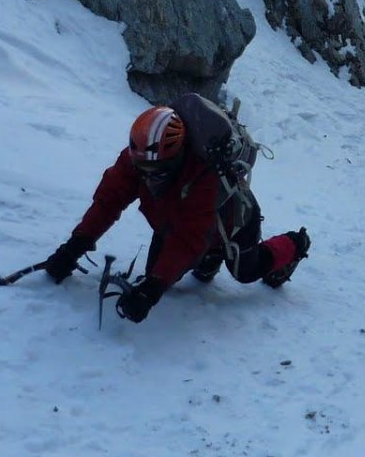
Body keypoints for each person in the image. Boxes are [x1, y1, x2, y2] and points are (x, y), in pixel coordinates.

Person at [42, 97, 310, 323]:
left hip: (232, 223)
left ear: (176, 156)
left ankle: (295, 245)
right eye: (143, 170)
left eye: (156, 172)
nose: (148, 177)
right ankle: (208, 260)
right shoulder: (140, 158)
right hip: (177, 223)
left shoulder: (204, 176)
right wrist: (75, 245)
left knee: (246, 271)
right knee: (167, 272)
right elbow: (108, 201)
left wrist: (153, 289)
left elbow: (188, 239)